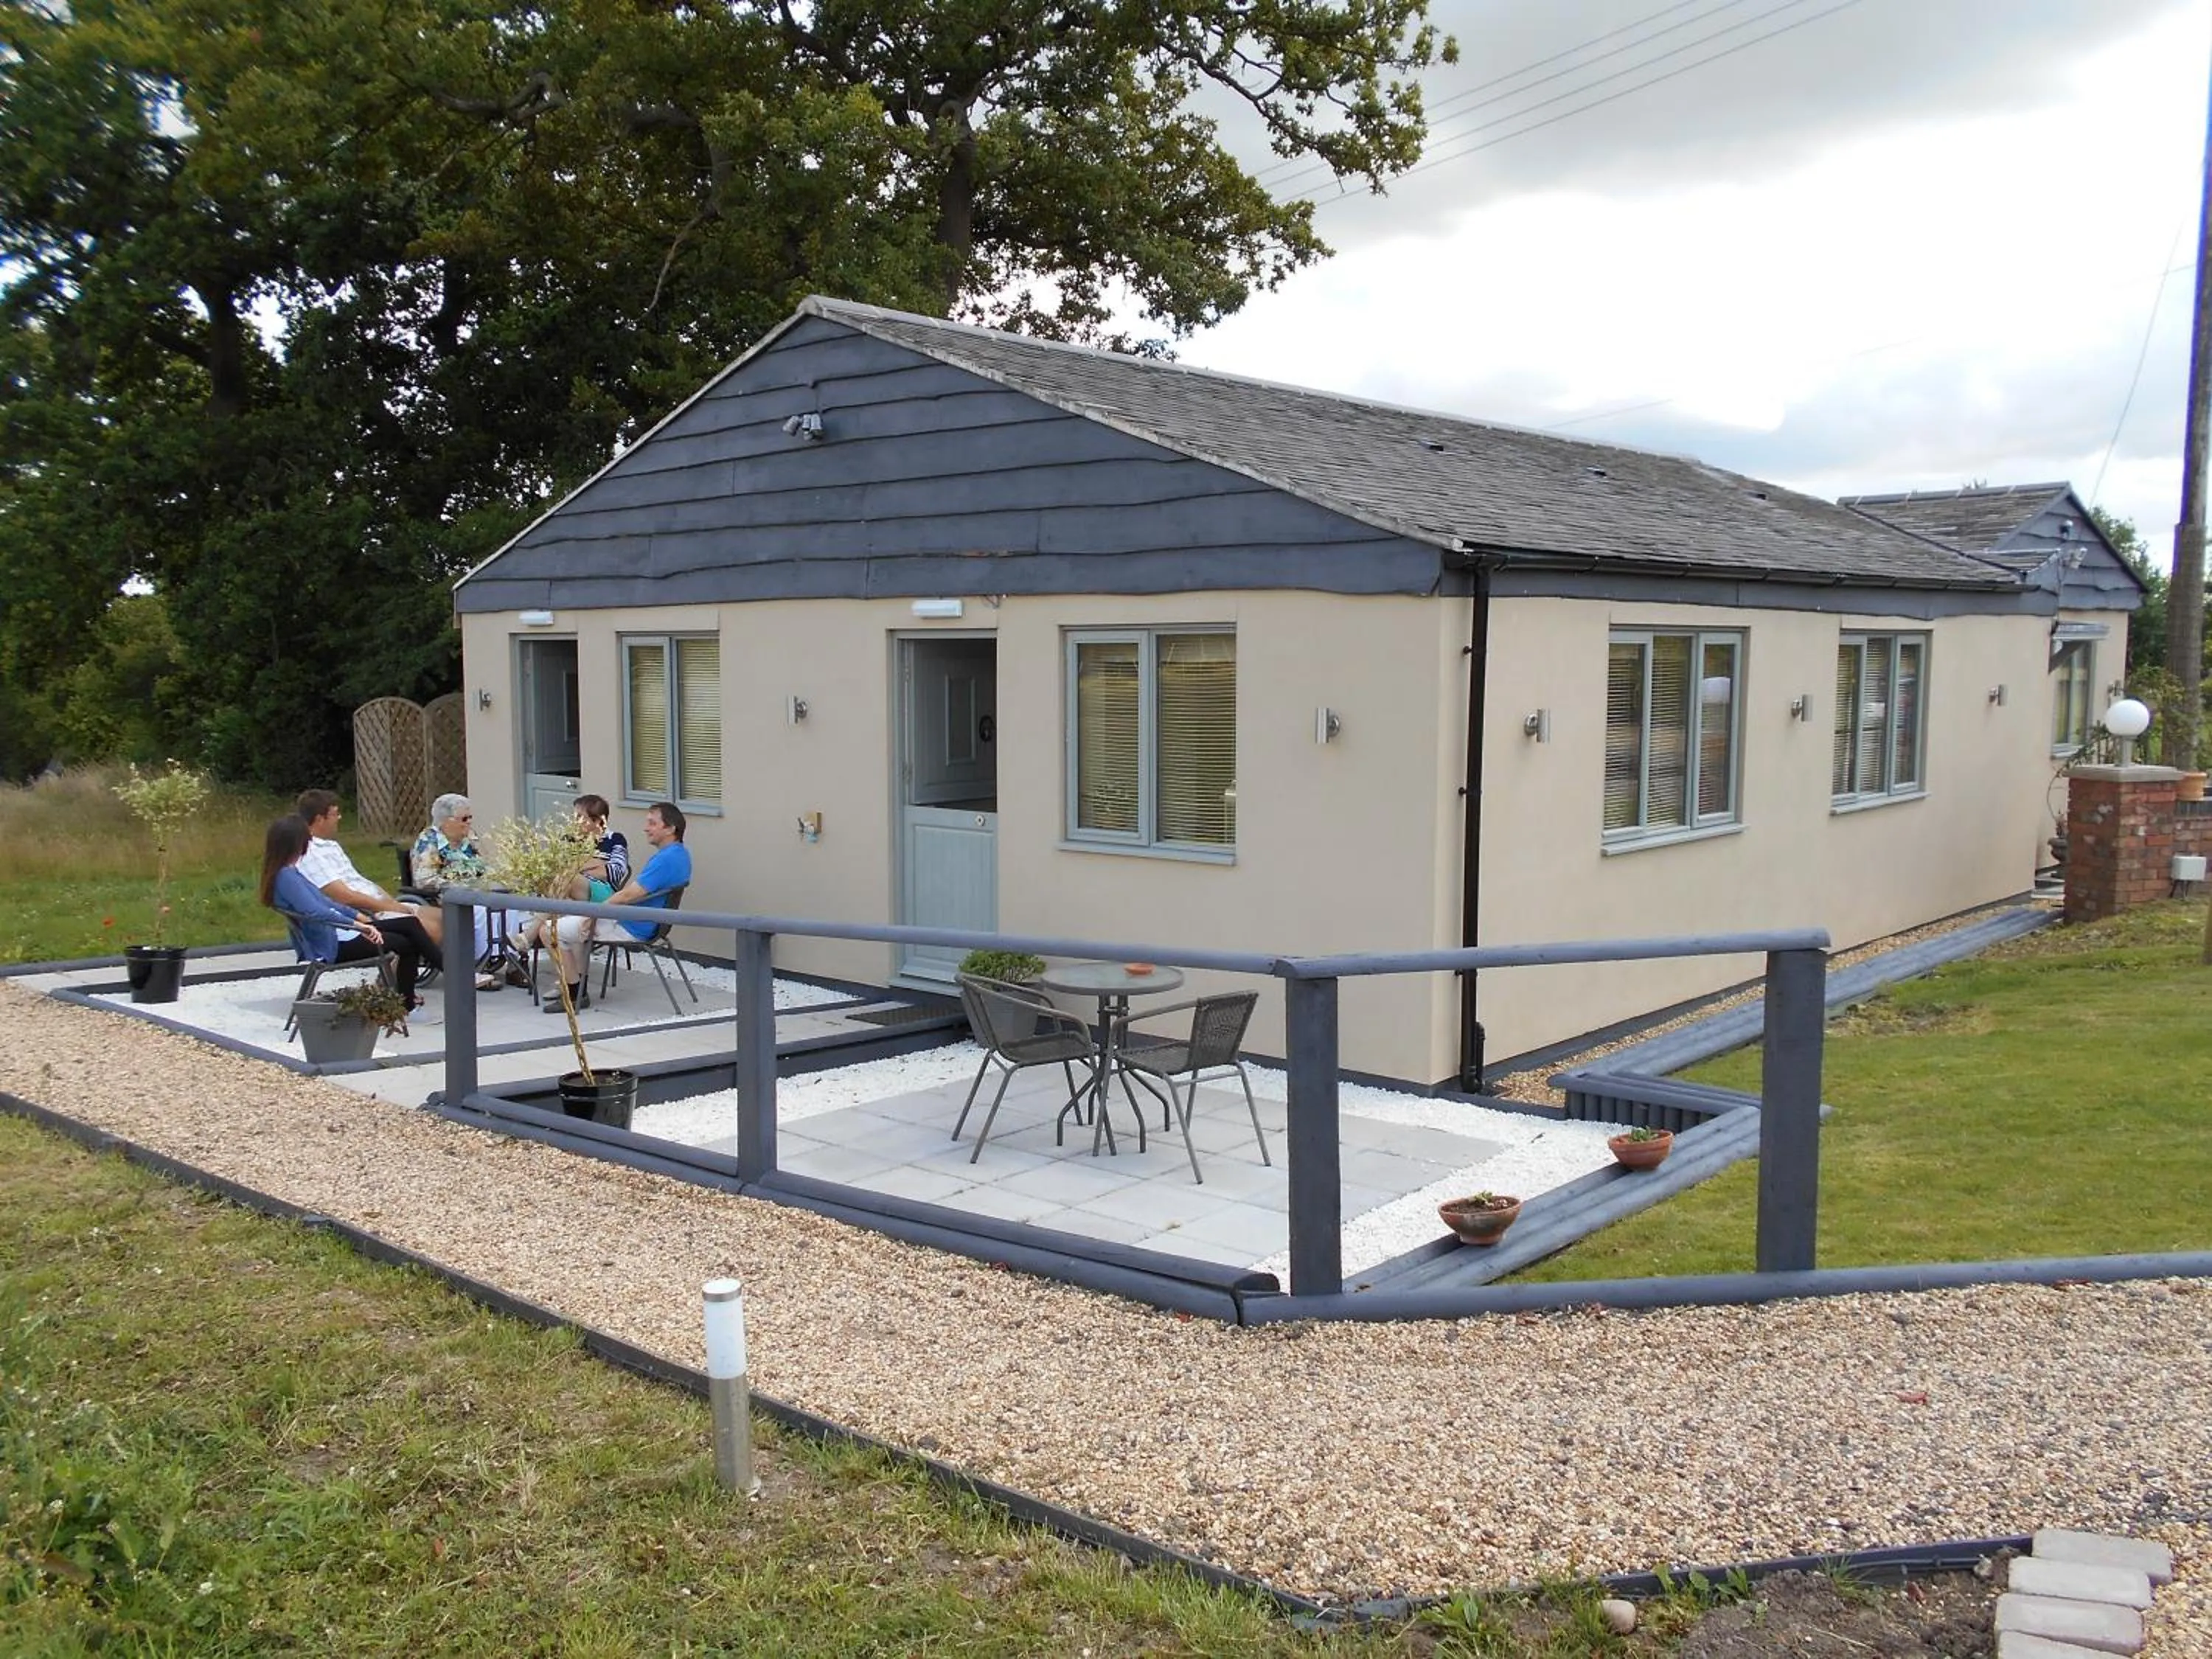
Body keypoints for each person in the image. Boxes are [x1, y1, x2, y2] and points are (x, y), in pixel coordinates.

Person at [260, 815, 439, 1020]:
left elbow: (326, 903)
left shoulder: (288, 872)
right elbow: (316, 912)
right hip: (334, 944)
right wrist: (357, 925)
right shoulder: (287, 877)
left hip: (341, 932)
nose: (308, 846)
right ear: (295, 843)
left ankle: (452, 975)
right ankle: (413, 1003)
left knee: (410, 923)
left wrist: (357, 916)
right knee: (407, 943)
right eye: (306, 841)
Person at [544, 799, 690, 1013]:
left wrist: (593, 914)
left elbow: (630, 894)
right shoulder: (680, 854)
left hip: (632, 926)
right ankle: (575, 984)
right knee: (567, 922)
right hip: (644, 922)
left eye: (652, 823)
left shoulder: (666, 860)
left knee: (549, 931)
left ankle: (575, 994)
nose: (645, 828)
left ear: (670, 829)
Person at [293, 789, 446, 952]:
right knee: (433, 929)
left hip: (379, 905)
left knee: (447, 920)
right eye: (335, 814)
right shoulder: (310, 852)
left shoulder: (331, 845)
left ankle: (458, 967)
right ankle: (448, 973)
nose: (339, 818)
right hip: (365, 913)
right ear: (319, 819)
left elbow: (360, 881)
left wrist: (392, 903)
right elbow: (344, 897)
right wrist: (388, 907)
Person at [521, 794, 631, 1006]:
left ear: (599, 820)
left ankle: (530, 934)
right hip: (571, 899)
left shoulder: (614, 839)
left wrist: (579, 864)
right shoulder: (568, 840)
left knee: (568, 879)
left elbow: (615, 872)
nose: (575, 822)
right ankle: (572, 983)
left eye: (580, 817)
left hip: (604, 897)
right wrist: (594, 863)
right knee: (566, 906)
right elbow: (554, 870)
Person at [408, 793, 501, 984]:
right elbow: (424, 879)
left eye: (470, 818)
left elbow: (486, 864)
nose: (469, 823)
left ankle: (506, 957)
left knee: (508, 904)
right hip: (447, 897)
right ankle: (477, 963)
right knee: (481, 910)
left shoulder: (470, 839)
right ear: (446, 821)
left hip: (478, 890)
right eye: (464, 819)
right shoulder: (429, 841)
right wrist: (460, 886)